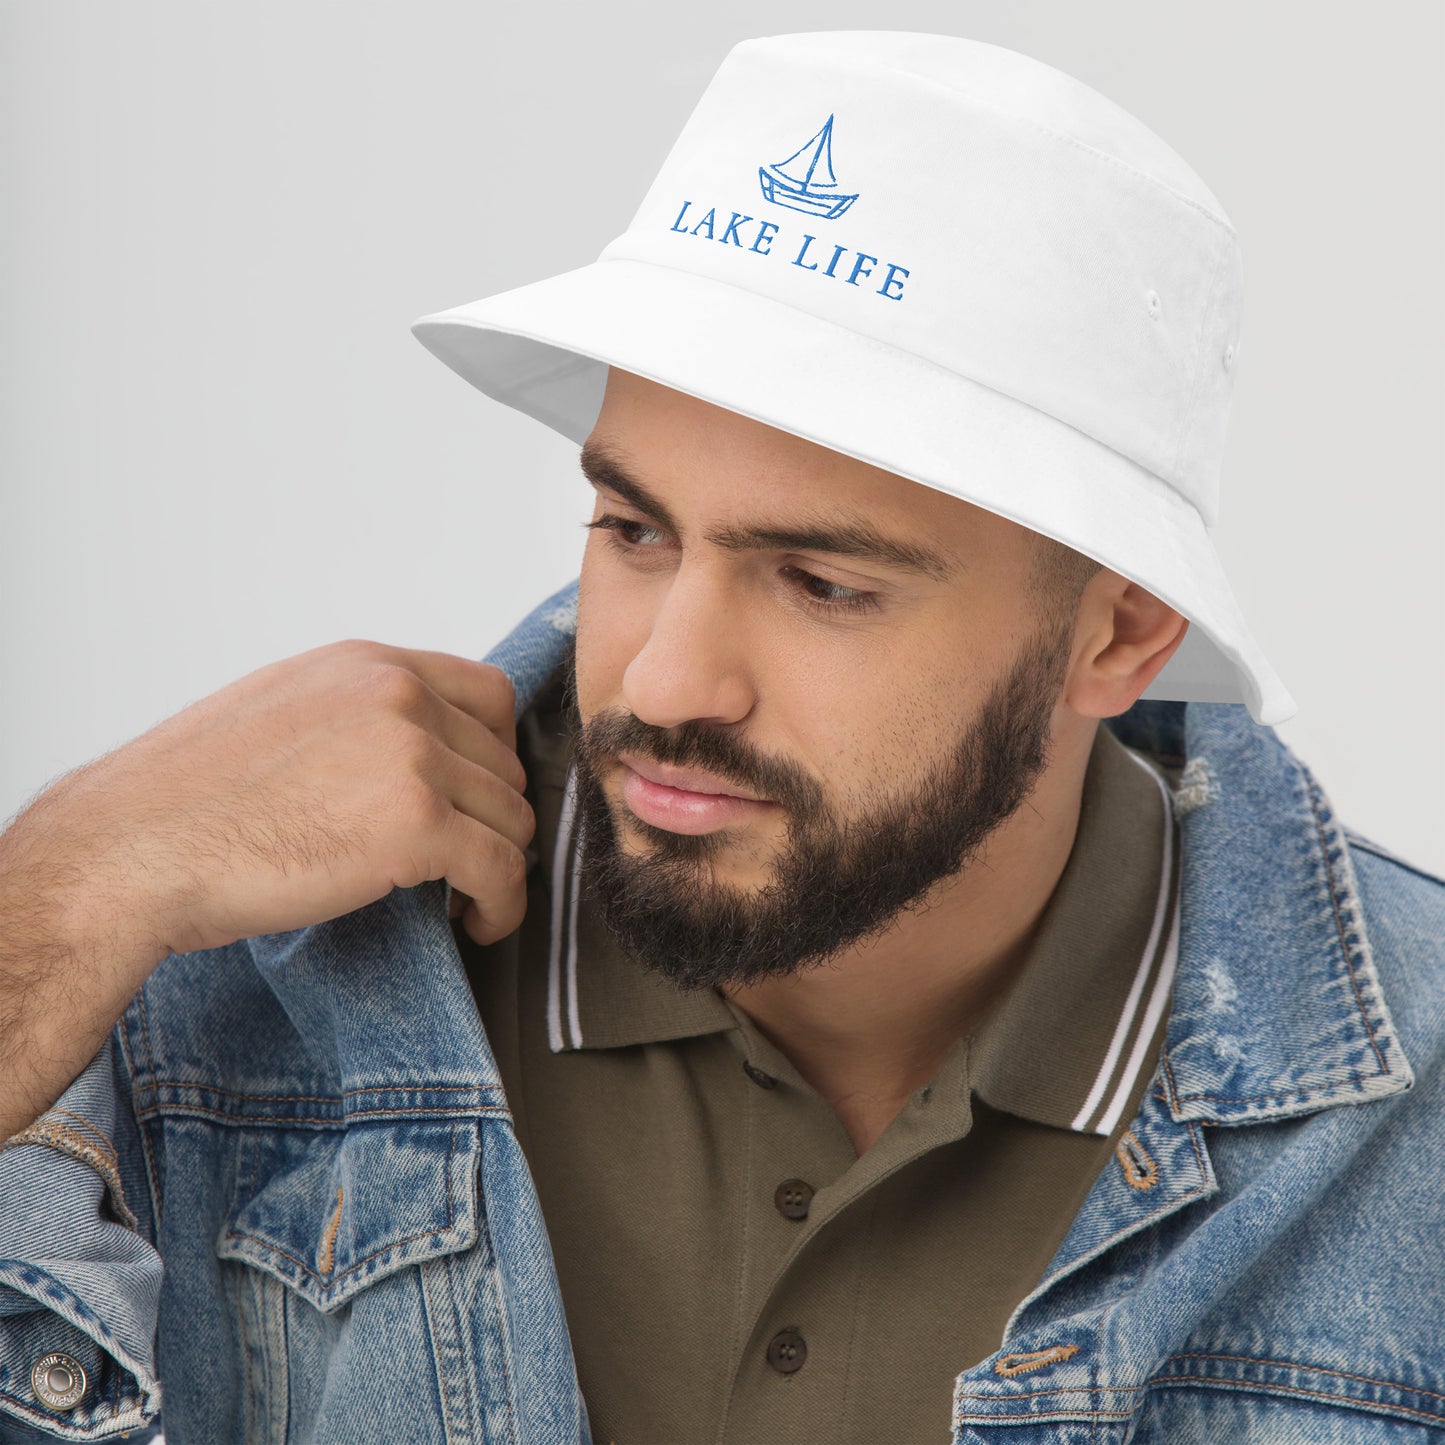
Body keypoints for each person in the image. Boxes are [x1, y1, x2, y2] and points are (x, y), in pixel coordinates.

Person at [0, 29, 1440, 1445]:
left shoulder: (1406, 1116)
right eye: (632, 527)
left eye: (821, 582)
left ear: (1116, 634)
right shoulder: (221, 961)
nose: (669, 679)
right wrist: (66, 882)